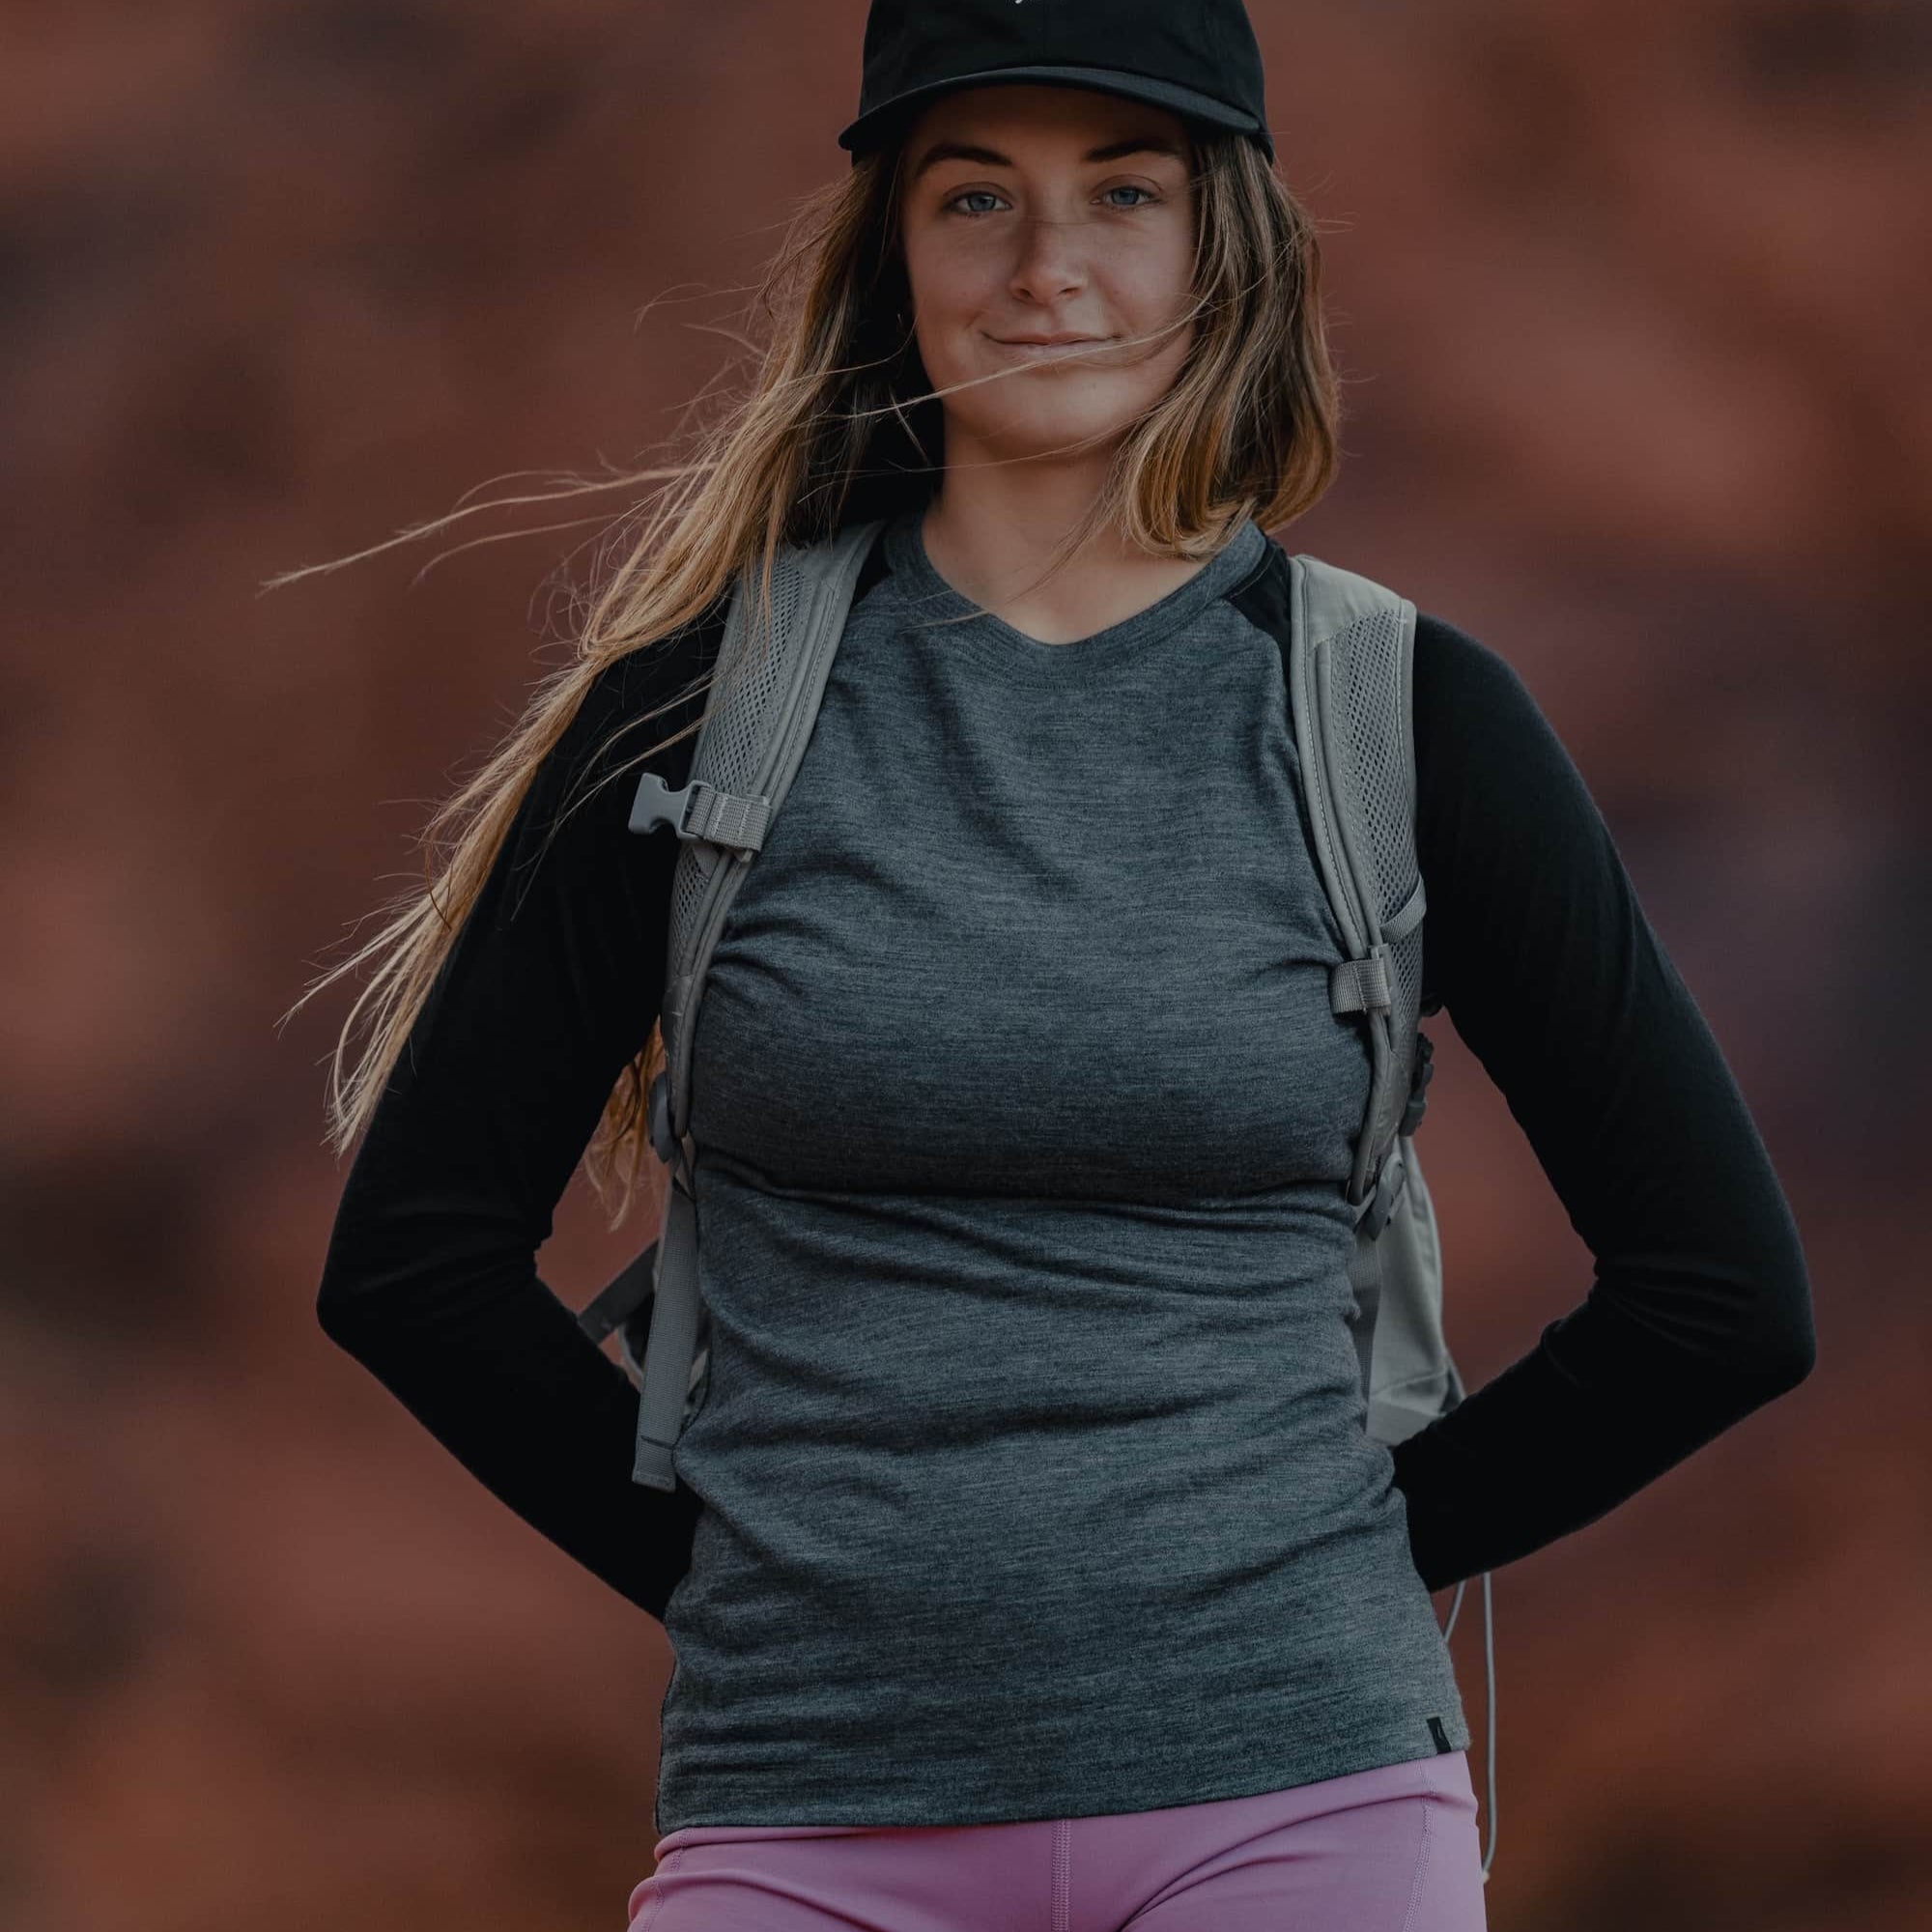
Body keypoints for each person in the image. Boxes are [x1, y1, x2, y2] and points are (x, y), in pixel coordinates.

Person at [301, 3, 1816, 1927]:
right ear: (895, 258)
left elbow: (1720, 1297)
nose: (1046, 267)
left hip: (1301, 1812)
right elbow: (412, 1260)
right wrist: (750, 1584)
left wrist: (1321, 1572)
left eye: (1124, 193)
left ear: (1226, 252)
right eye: (972, 200)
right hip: (807, 1817)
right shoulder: (691, 722)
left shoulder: (1404, 718)